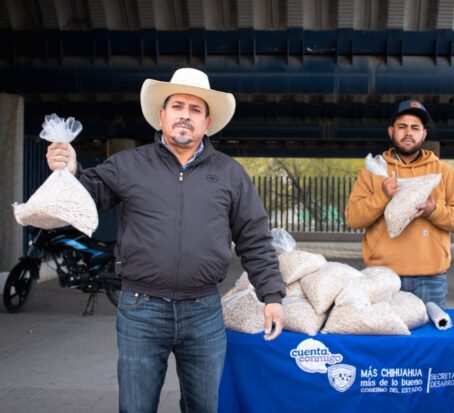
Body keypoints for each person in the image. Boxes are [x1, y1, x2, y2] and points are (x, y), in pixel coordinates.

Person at [46, 68, 285, 413]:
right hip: (141, 310)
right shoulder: (129, 164)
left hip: (203, 311)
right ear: (162, 116)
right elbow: (88, 194)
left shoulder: (230, 174)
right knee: (136, 407)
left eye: (195, 109)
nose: (185, 115)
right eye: (177, 106)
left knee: (204, 407)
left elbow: (255, 238)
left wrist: (272, 296)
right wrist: (70, 171)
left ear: (206, 123)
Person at [345, 100, 454, 308]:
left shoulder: (443, 172)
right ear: (391, 131)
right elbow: (353, 218)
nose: (408, 133)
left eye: (415, 128)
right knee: (383, 330)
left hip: (430, 279)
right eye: (402, 127)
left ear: (423, 134)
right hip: (382, 277)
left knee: (430, 330)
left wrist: (433, 211)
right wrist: (383, 196)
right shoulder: (373, 172)